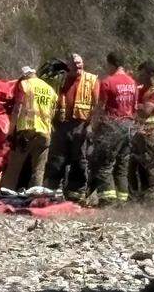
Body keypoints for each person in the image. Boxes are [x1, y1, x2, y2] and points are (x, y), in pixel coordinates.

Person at [44, 53, 99, 201]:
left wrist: (90, 126)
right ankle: (52, 192)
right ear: (68, 65)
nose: (77, 65)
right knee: (57, 159)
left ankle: (76, 194)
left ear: (83, 63)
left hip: (81, 125)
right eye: (74, 63)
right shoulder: (60, 79)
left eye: (79, 63)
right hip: (61, 124)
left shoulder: (91, 80)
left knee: (79, 160)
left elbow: (98, 105)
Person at [88, 51, 138, 205]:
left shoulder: (107, 82)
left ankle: (108, 201)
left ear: (111, 64)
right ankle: (122, 202)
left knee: (105, 165)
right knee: (122, 167)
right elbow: (135, 108)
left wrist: (93, 127)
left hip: (112, 126)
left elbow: (101, 108)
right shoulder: (132, 83)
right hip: (129, 126)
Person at [0, 65, 58, 191]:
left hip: (27, 131)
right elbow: (53, 113)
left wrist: (10, 132)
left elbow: (17, 110)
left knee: (14, 167)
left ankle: (6, 194)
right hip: (45, 133)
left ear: (25, 75)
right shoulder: (50, 90)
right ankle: (35, 197)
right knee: (39, 169)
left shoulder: (25, 85)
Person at [132, 60, 154, 200]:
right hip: (139, 131)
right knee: (138, 164)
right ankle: (140, 194)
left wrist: (134, 106)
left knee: (152, 164)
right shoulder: (141, 89)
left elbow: (146, 111)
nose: (140, 77)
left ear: (151, 74)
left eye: (143, 74)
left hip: (152, 131)